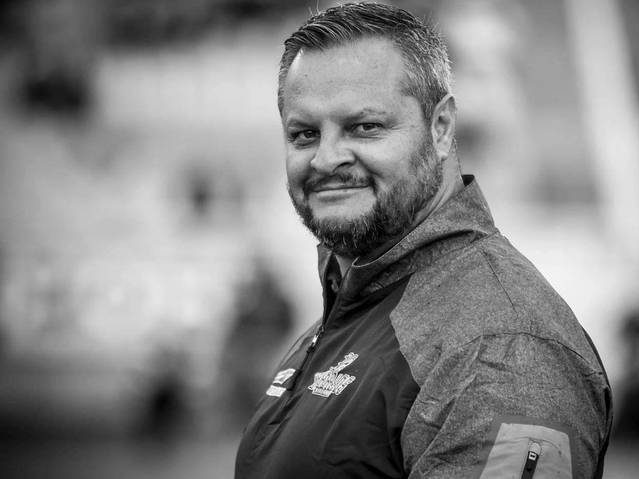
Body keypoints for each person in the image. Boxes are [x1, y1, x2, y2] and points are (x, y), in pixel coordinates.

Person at [235, 3, 612, 478]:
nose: (326, 159)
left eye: (365, 127)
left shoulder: (499, 348)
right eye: (304, 134)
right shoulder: (363, 299)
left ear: (441, 128)